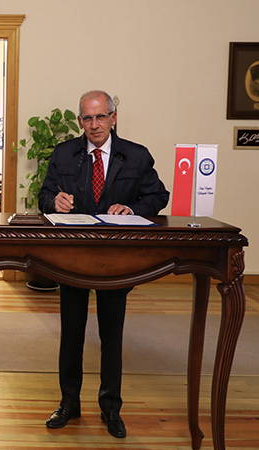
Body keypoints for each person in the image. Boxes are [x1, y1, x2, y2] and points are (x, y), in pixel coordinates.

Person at [38, 90, 169, 438]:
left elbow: (158, 196)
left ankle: (111, 408)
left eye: (100, 117)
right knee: (72, 334)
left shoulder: (136, 155)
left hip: (116, 260)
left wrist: (133, 209)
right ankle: (69, 403)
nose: (94, 124)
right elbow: (43, 195)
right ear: (79, 121)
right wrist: (54, 200)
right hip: (73, 257)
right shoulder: (65, 154)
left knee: (112, 335)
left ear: (113, 118)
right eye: (87, 118)